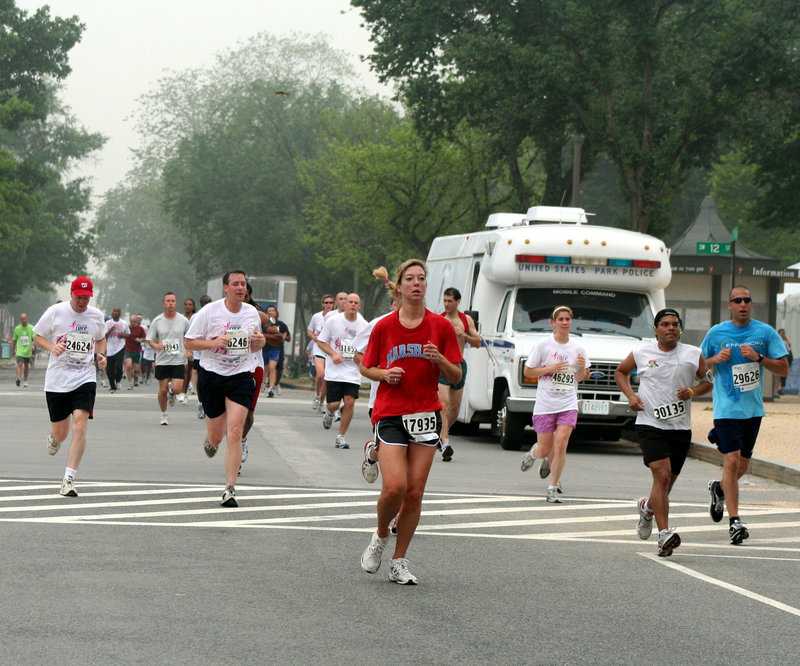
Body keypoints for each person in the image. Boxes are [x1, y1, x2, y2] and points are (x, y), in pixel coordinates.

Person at [359, 259, 462, 585]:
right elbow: (366, 367)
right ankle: (379, 536)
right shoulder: (385, 327)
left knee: (415, 492)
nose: (416, 283)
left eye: (421, 279)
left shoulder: (441, 327)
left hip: (426, 414)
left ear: (425, 286)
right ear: (399, 286)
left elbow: (456, 374)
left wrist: (440, 359)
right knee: (395, 487)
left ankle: (399, 561)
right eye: (410, 279)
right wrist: (383, 374)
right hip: (390, 413)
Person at [615, 309, 712, 556]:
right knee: (662, 474)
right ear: (656, 329)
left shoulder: (693, 354)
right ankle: (664, 535)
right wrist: (631, 396)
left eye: (675, 325)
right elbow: (620, 372)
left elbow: (708, 382)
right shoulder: (641, 352)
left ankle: (647, 508)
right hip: (649, 423)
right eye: (666, 325)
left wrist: (692, 392)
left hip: (680, 426)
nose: (671, 329)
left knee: (666, 483)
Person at [701, 285, 789, 544]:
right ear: (730, 305)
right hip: (727, 407)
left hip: (752, 409)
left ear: (752, 304)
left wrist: (759, 358)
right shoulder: (717, 332)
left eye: (747, 300)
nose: (742, 304)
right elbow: (697, 363)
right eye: (737, 300)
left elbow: (783, 369)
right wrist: (715, 358)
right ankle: (735, 522)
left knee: (742, 467)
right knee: (731, 461)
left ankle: (719, 489)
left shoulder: (765, 332)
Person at [184, 270, 266, 507]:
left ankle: (230, 488)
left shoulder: (252, 313)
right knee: (217, 436)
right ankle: (211, 440)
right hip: (212, 376)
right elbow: (189, 342)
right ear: (225, 287)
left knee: (235, 432)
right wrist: (214, 343)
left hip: (240, 375)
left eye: (243, 284)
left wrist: (259, 343)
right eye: (235, 284)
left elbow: (253, 345)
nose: (240, 288)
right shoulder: (210, 312)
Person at [32, 276, 107, 497]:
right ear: (71, 294)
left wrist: (101, 355)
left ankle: (68, 479)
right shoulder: (56, 312)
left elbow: (101, 339)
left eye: (87, 298)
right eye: (79, 297)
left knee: (80, 425)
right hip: (57, 379)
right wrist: (51, 347)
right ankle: (54, 437)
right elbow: (37, 337)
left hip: (84, 377)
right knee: (62, 433)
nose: (83, 302)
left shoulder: (96, 316)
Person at [519, 306, 590, 503]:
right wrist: (551, 368)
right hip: (545, 403)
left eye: (568, 319)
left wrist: (583, 369)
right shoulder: (543, 345)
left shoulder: (578, 348)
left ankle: (553, 486)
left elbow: (581, 378)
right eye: (561, 319)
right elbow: (528, 372)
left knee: (561, 444)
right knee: (545, 448)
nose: (565, 322)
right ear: (553, 323)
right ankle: (534, 454)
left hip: (568, 403)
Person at [317, 293, 368, 449]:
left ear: (359, 306)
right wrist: (333, 354)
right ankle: (330, 413)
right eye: (350, 301)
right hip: (335, 370)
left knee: (350, 402)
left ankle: (341, 436)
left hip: (352, 372)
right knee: (333, 404)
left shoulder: (364, 325)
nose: (352, 304)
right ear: (344, 304)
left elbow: (367, 348)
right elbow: (321, 341)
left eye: (356, 302)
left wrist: (361, 359)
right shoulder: (333, 321)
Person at [437, 287, 480, 461]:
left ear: (458, 301)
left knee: (454, 409)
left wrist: (464, 335)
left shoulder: (465, 319)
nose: (446, 304)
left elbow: (477, 342)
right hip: (442, 363)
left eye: (450, 301)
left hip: (459, 364)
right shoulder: (439, 319)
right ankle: (445, 441)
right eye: (445, 301)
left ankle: (441, 433)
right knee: (444, 404)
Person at [147, 292, 191, 425]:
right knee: (162, 389)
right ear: (163, 304)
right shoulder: (157, 321)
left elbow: (189, 337)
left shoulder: (183, 320)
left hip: (178, 359)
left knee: (177, 389)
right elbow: (150, 339)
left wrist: (189, 351)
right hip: (162, 360)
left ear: (175, 303)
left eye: (173, 301)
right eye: (168, 301)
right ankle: (164, 414)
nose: (170, 303)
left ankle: (173, 392)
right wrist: (156, 345)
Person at [307, 294, 335, 410]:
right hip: (318, 346)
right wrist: (313, 336)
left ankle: (322, 402)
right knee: (320, 375)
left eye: (330, 303)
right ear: (322, 304)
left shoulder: (336, 317)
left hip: (330, 348)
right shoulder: (316, 316)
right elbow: (309, 329)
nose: (328, 305)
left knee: (326, 378)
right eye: (326, 303)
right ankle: (317, 396)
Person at [263, 305, 290, 398]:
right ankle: (263, 382)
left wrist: (282, 337)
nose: (270, 312)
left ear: (276, 313)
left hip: (276, 349)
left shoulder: (281, 325)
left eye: (272, 310)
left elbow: (287, 337)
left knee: (272, 367)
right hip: (264, 349)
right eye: (268, 311)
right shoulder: (263, 323)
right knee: (265, 369)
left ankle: (271, 388)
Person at [104, 307, 130, 392]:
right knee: (109, 369)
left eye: (117, 311)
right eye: (114, 311)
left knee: (118, 366)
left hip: (120, 347)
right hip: (110, 348)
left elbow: (128, 334)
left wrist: (122, 336)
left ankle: (118, 380)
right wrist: (110, 330)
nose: (115, 312)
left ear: (120, 313)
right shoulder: (108, 323)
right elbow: (104, 336)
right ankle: (112, 386)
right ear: (112, 313)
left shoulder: (124, 323)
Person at [123, 314, 146, 390]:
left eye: (134, 321)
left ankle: (135, 375)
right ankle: (130, 383)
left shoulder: (140, 329)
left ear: (137, 321)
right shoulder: (127, 328)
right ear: (129, 321)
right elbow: (122, 335)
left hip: (137, 350)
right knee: (129, 366)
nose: (133, 323)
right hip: (128, 350)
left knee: (136, 369)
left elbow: (146, 338)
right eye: (131, 321)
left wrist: (140, 340)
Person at [12, 312, 36, 387]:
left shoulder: (31, 328)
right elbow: (14, 340)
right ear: (20, 320)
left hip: (28, 350)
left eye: (25, 319)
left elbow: (34, 338)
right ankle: (18, 378)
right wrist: (13, 349)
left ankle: (25, 380)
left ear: (27, 319)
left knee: (26, 366)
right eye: (22, 319)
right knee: (20, 364)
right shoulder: (17, 329)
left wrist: (34, 345)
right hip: (20, 350)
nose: (24, 320)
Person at [182, 298, 197, 396]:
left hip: (191, 346)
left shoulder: (196, 318)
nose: (187, 306)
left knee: (188, 369)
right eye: (186, 304)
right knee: (182, 368)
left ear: (193, 307)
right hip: (181, 345)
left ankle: (184, 391)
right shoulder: (180, 318)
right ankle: (176, 386)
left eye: (190, 304)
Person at [774, 328, 793, 398]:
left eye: (783, 333)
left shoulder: (785, 342)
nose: (782, 334)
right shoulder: (775, 340)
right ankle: (774, 390)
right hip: (774, 360)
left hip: (781, 360)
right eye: (781, 333)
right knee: (775, 376)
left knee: (778, 376)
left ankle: (776, 391)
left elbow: (789, 351)